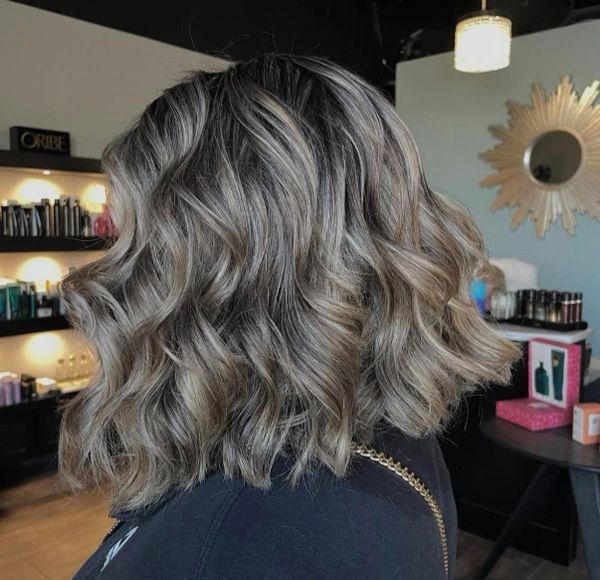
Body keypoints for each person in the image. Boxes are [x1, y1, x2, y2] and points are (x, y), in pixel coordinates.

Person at [58, 54, 519, 579]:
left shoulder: (263, 537)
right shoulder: (379, 441)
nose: (117, 265)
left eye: (138, 239)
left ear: (211, 267)